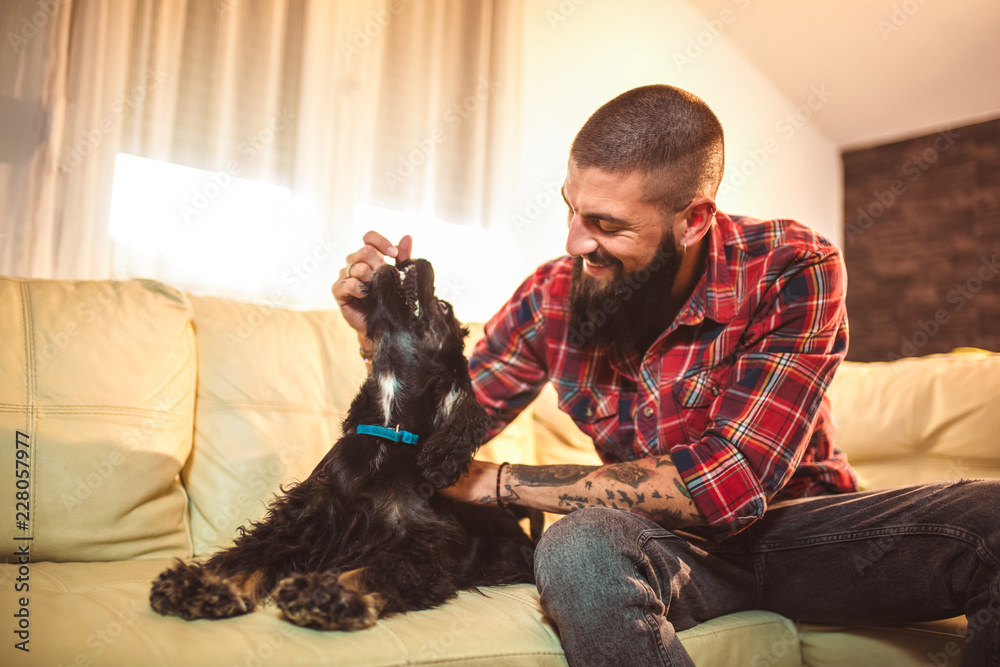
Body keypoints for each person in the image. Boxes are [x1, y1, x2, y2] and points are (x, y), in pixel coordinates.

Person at [333, 84, 999, 666]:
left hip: (809, 534)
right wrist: (384, 341)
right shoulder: (551, 296)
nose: (574, 242)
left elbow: (728, 484)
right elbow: (435, 431)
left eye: (605, 224)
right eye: (572, 209)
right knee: (578, 545)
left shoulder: (792, 266)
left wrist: (501, 483)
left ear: (694, 220)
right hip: (666, 550)